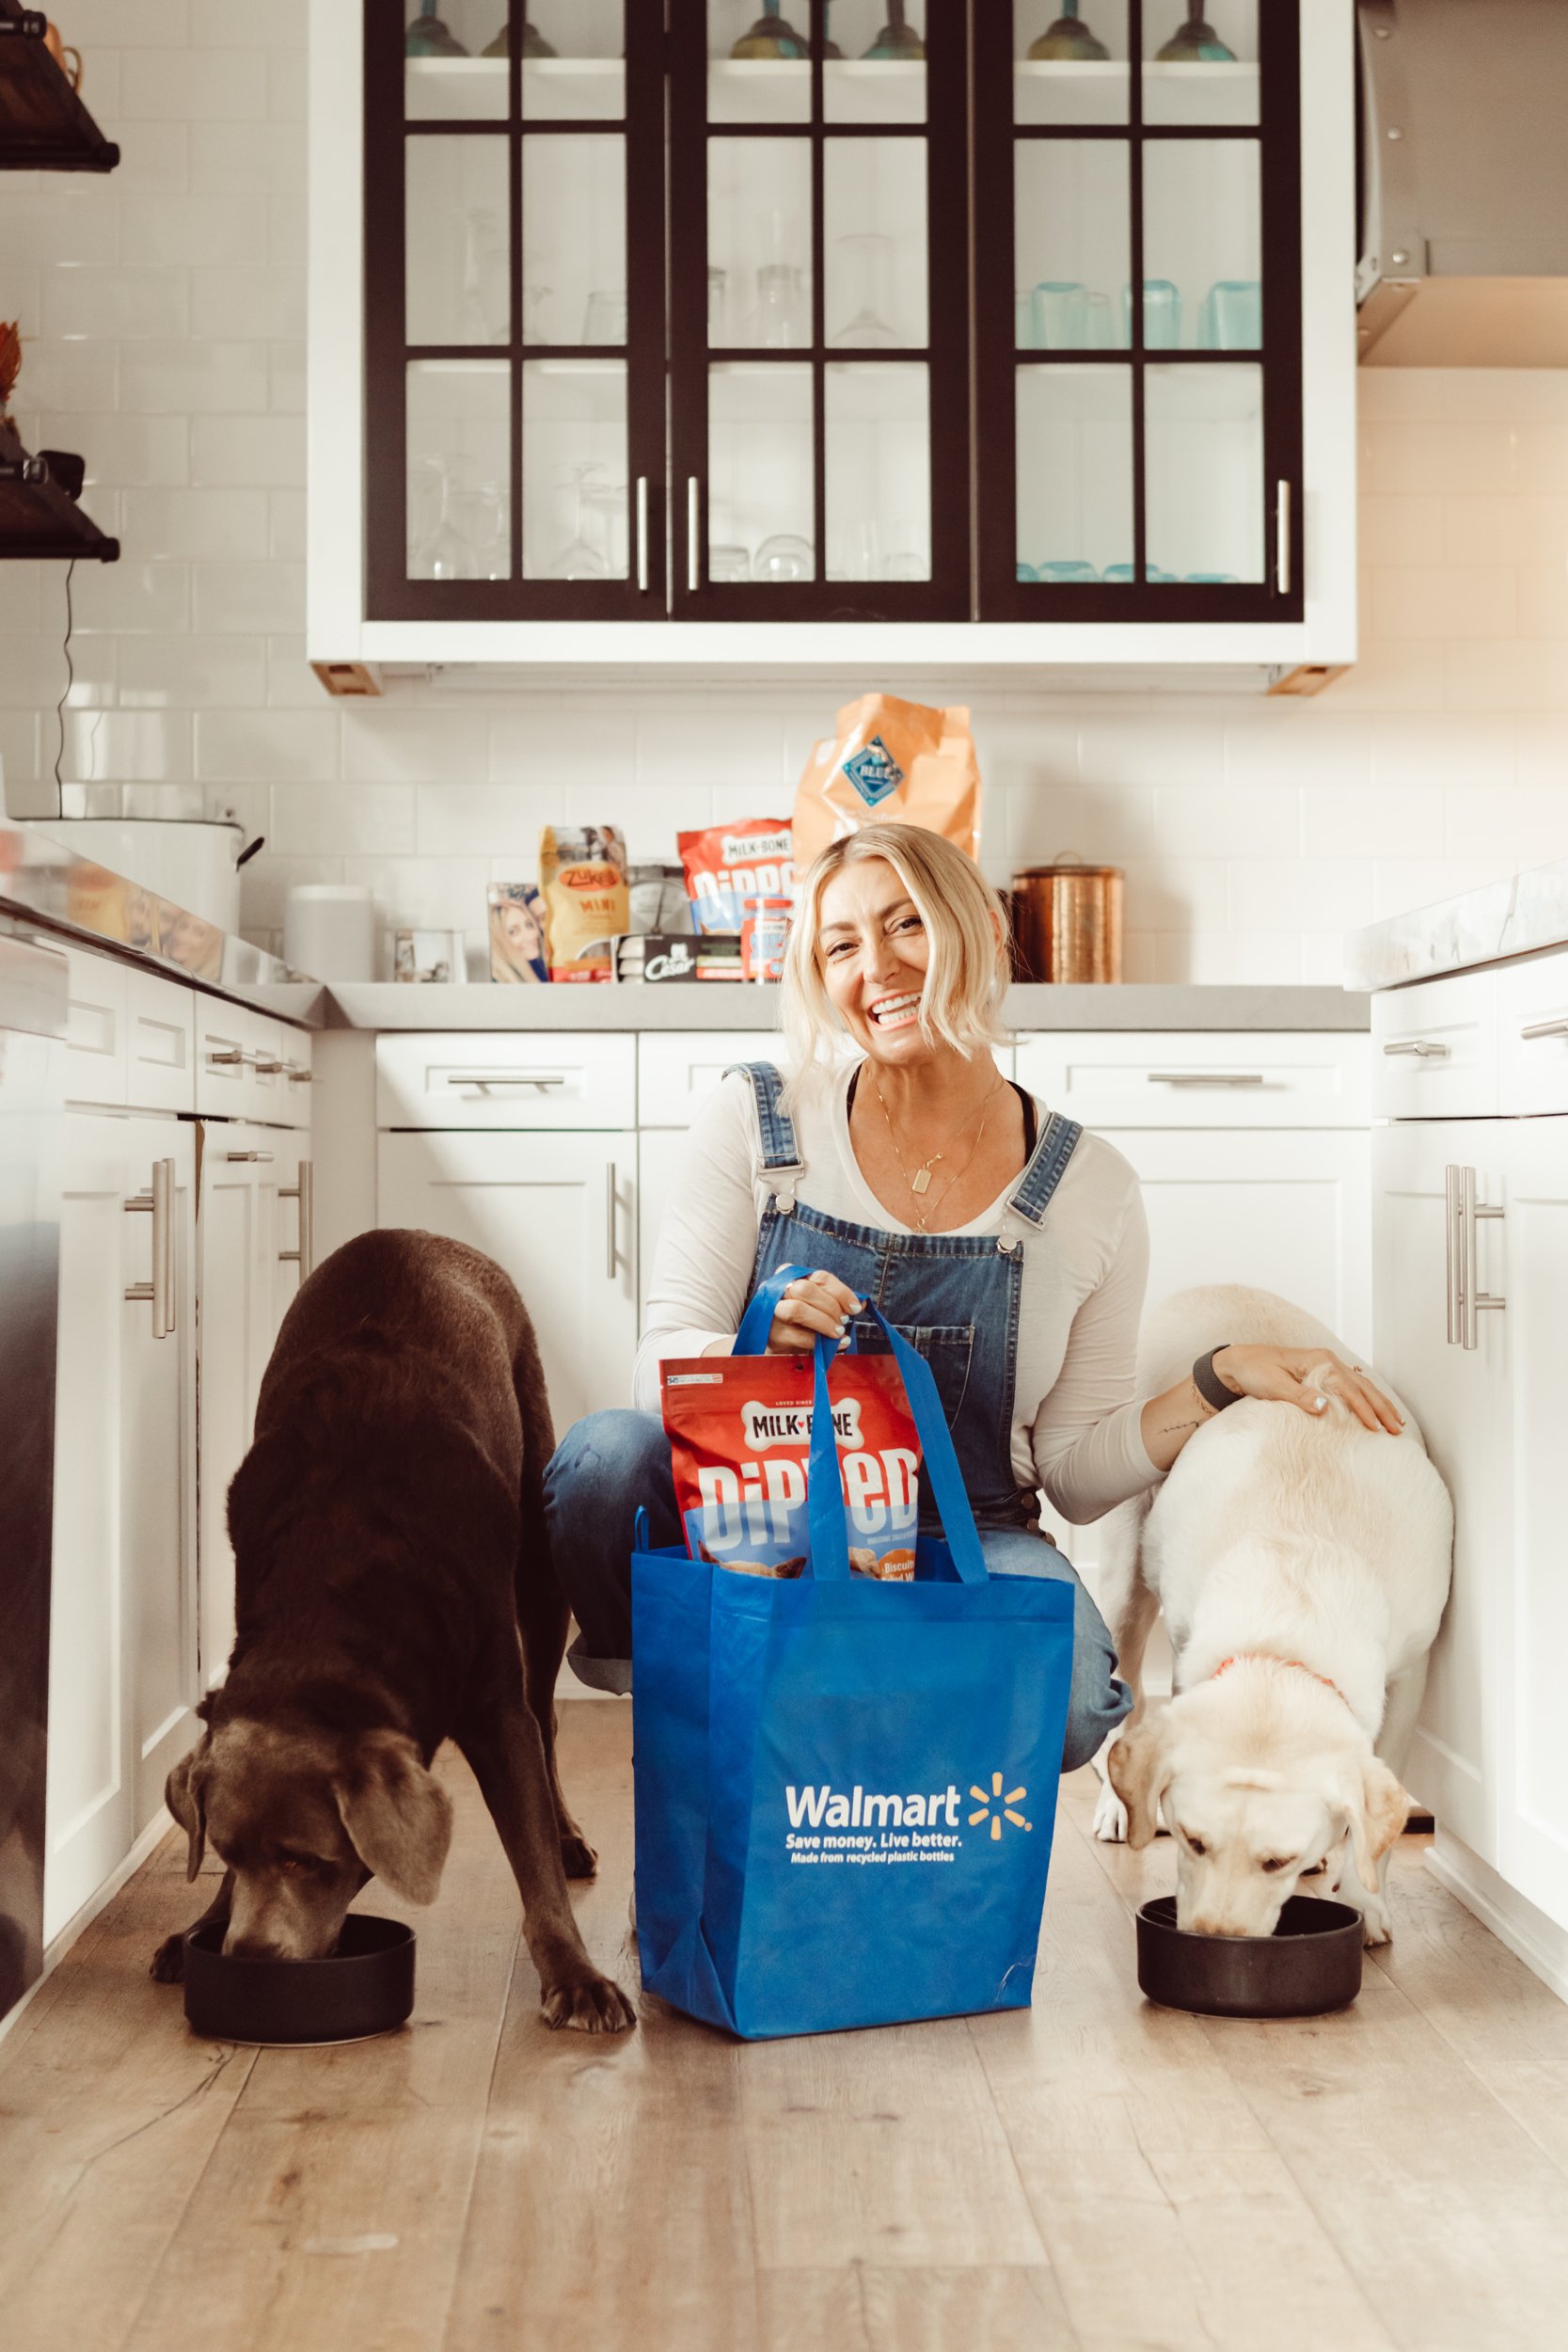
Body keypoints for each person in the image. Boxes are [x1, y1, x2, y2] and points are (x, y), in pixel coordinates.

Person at [544, 820, 1402, 1772]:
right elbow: (657, 1355)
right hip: (755, 1523)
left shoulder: (1087, 1188)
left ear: (980, 930)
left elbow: (1073, 1469)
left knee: (1075, 1693)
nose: (876, 967)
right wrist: (753, 1344)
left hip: (959, 1531)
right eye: (840, 945)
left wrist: (1217, 1377)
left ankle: (851, 1768)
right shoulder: (757, 1117)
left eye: (905, 924)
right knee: (600, 1462)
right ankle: (702, 1705)